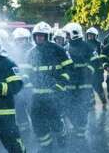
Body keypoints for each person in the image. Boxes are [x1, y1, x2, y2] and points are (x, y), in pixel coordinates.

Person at [26, 22, 73, 150]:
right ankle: (47, 147)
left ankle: (62, 134)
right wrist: (27, 89)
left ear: (48, 36)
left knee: (55, 122)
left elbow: (69, 69)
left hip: (55, 94)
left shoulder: (58, 50)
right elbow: (26, 74)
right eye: (37, 36)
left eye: (42, 36)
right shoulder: (31, 53)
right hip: (37, 97)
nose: (39, 38)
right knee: (37, 124)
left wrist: (60, 84)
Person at [63, 23, 95, 137]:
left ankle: (81, 130)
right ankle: (76, 126)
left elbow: (95, 61)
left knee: (82, 107)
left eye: (67, 34)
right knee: (68, 107)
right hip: (70, 83)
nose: (66, 37)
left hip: (83, 83)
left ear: (74, 34)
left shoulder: (87, 46)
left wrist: (88, 71)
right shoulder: (65, 48)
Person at [9, 28, 34, 141]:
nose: (20, 42)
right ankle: (25, 132)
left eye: (22, 40)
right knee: (19, 113)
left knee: (33, 111)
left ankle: (37, 131)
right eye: (18, 40)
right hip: (17, 90)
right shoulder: (12, 53)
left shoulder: (33, 52)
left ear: (28, 39)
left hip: (31, 89)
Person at [86, 27, 107, 106]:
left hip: (98, 70)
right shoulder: (85, 44)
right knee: (89, 86)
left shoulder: (99, 44)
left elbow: (103, 55)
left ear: (95, 36)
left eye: (92, 35)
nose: (90, 36)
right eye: (89, 35)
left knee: (98, 87)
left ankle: (103, 100)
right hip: (88, 69)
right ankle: (92, 102)